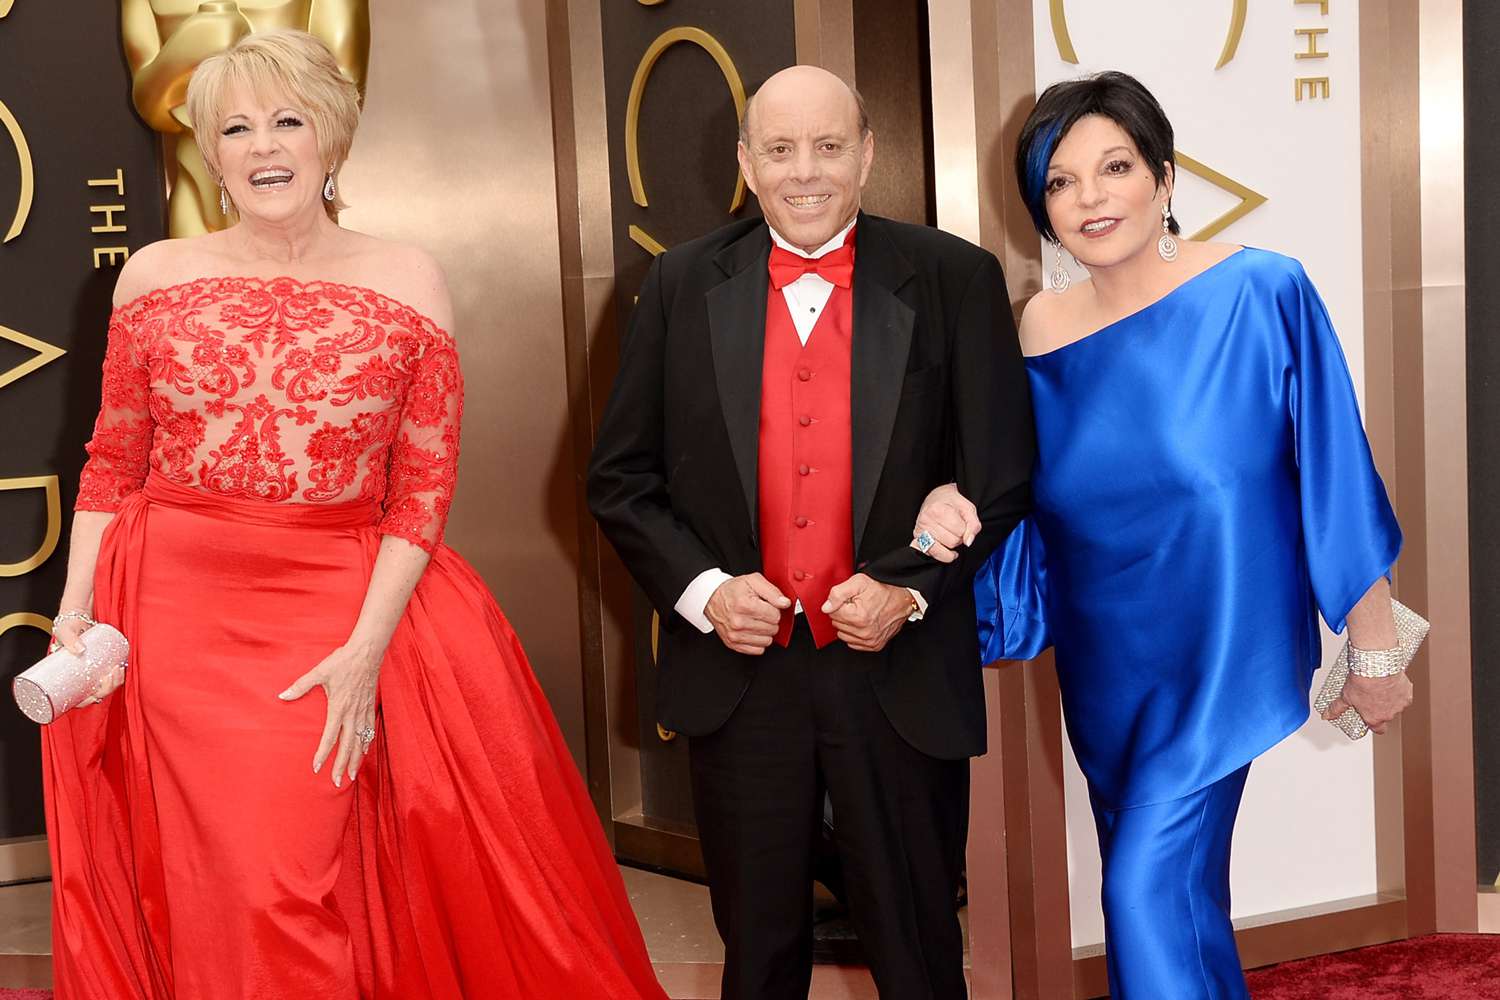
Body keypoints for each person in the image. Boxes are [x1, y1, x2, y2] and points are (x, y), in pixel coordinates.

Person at [43, 29, 667, 1000]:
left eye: (287, 121)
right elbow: (111, 464)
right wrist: (77, 605)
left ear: (331, 139)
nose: (263, 146)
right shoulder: (151, 277)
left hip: (332, 614)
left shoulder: (406, 277)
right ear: (210, 154)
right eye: (237, 129)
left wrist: (369, 647)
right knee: (219, 879)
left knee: (283, 877)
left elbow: (421, 491)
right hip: (176, 618)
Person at [914, 71, 1415, 999]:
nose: (1089, 197)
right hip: (1108, 671)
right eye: (1060, 182)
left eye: (1114, 167)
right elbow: (1017, 494)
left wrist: (1375, 645)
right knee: (1181, 902)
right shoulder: (1038, 328)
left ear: (1166, 176)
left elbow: (1334, 468)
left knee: (1142, 888)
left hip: (1221, 652)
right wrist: (949, 503)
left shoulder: (1260, 291)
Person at [586, 65, 1034, 1000]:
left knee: (918, 950)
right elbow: (621, 480)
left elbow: (1002, 474)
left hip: (897, 670)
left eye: (828, 146)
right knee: (759, 952)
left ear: (867, 154)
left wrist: (908, 586)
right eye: (780, 150)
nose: (806, 172)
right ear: (746, 162)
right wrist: (707, 594)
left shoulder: (955, 277)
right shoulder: (676, 283)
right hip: (741, 678)